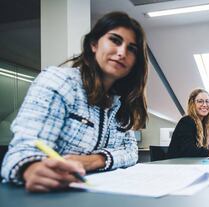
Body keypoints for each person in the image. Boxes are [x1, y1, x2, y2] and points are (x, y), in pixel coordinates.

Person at [1, 12, 149, 192]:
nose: (121, 52)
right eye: (115, 40)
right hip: (49, 195)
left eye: (131, 48)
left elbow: (131, 152)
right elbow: (19, 152)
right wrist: (30, 168)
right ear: (94, 44)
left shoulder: (124, 100)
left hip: (96, 194)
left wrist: (93, 161)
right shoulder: (58, 82)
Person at [168, 89, 209, 158]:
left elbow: (201, 146)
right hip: (176, 164)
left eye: (207, 101)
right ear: (192, 104)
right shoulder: (187, 121)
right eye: (200, 101)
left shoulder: (204, 124)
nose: (205, 105)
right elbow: (189, 149)